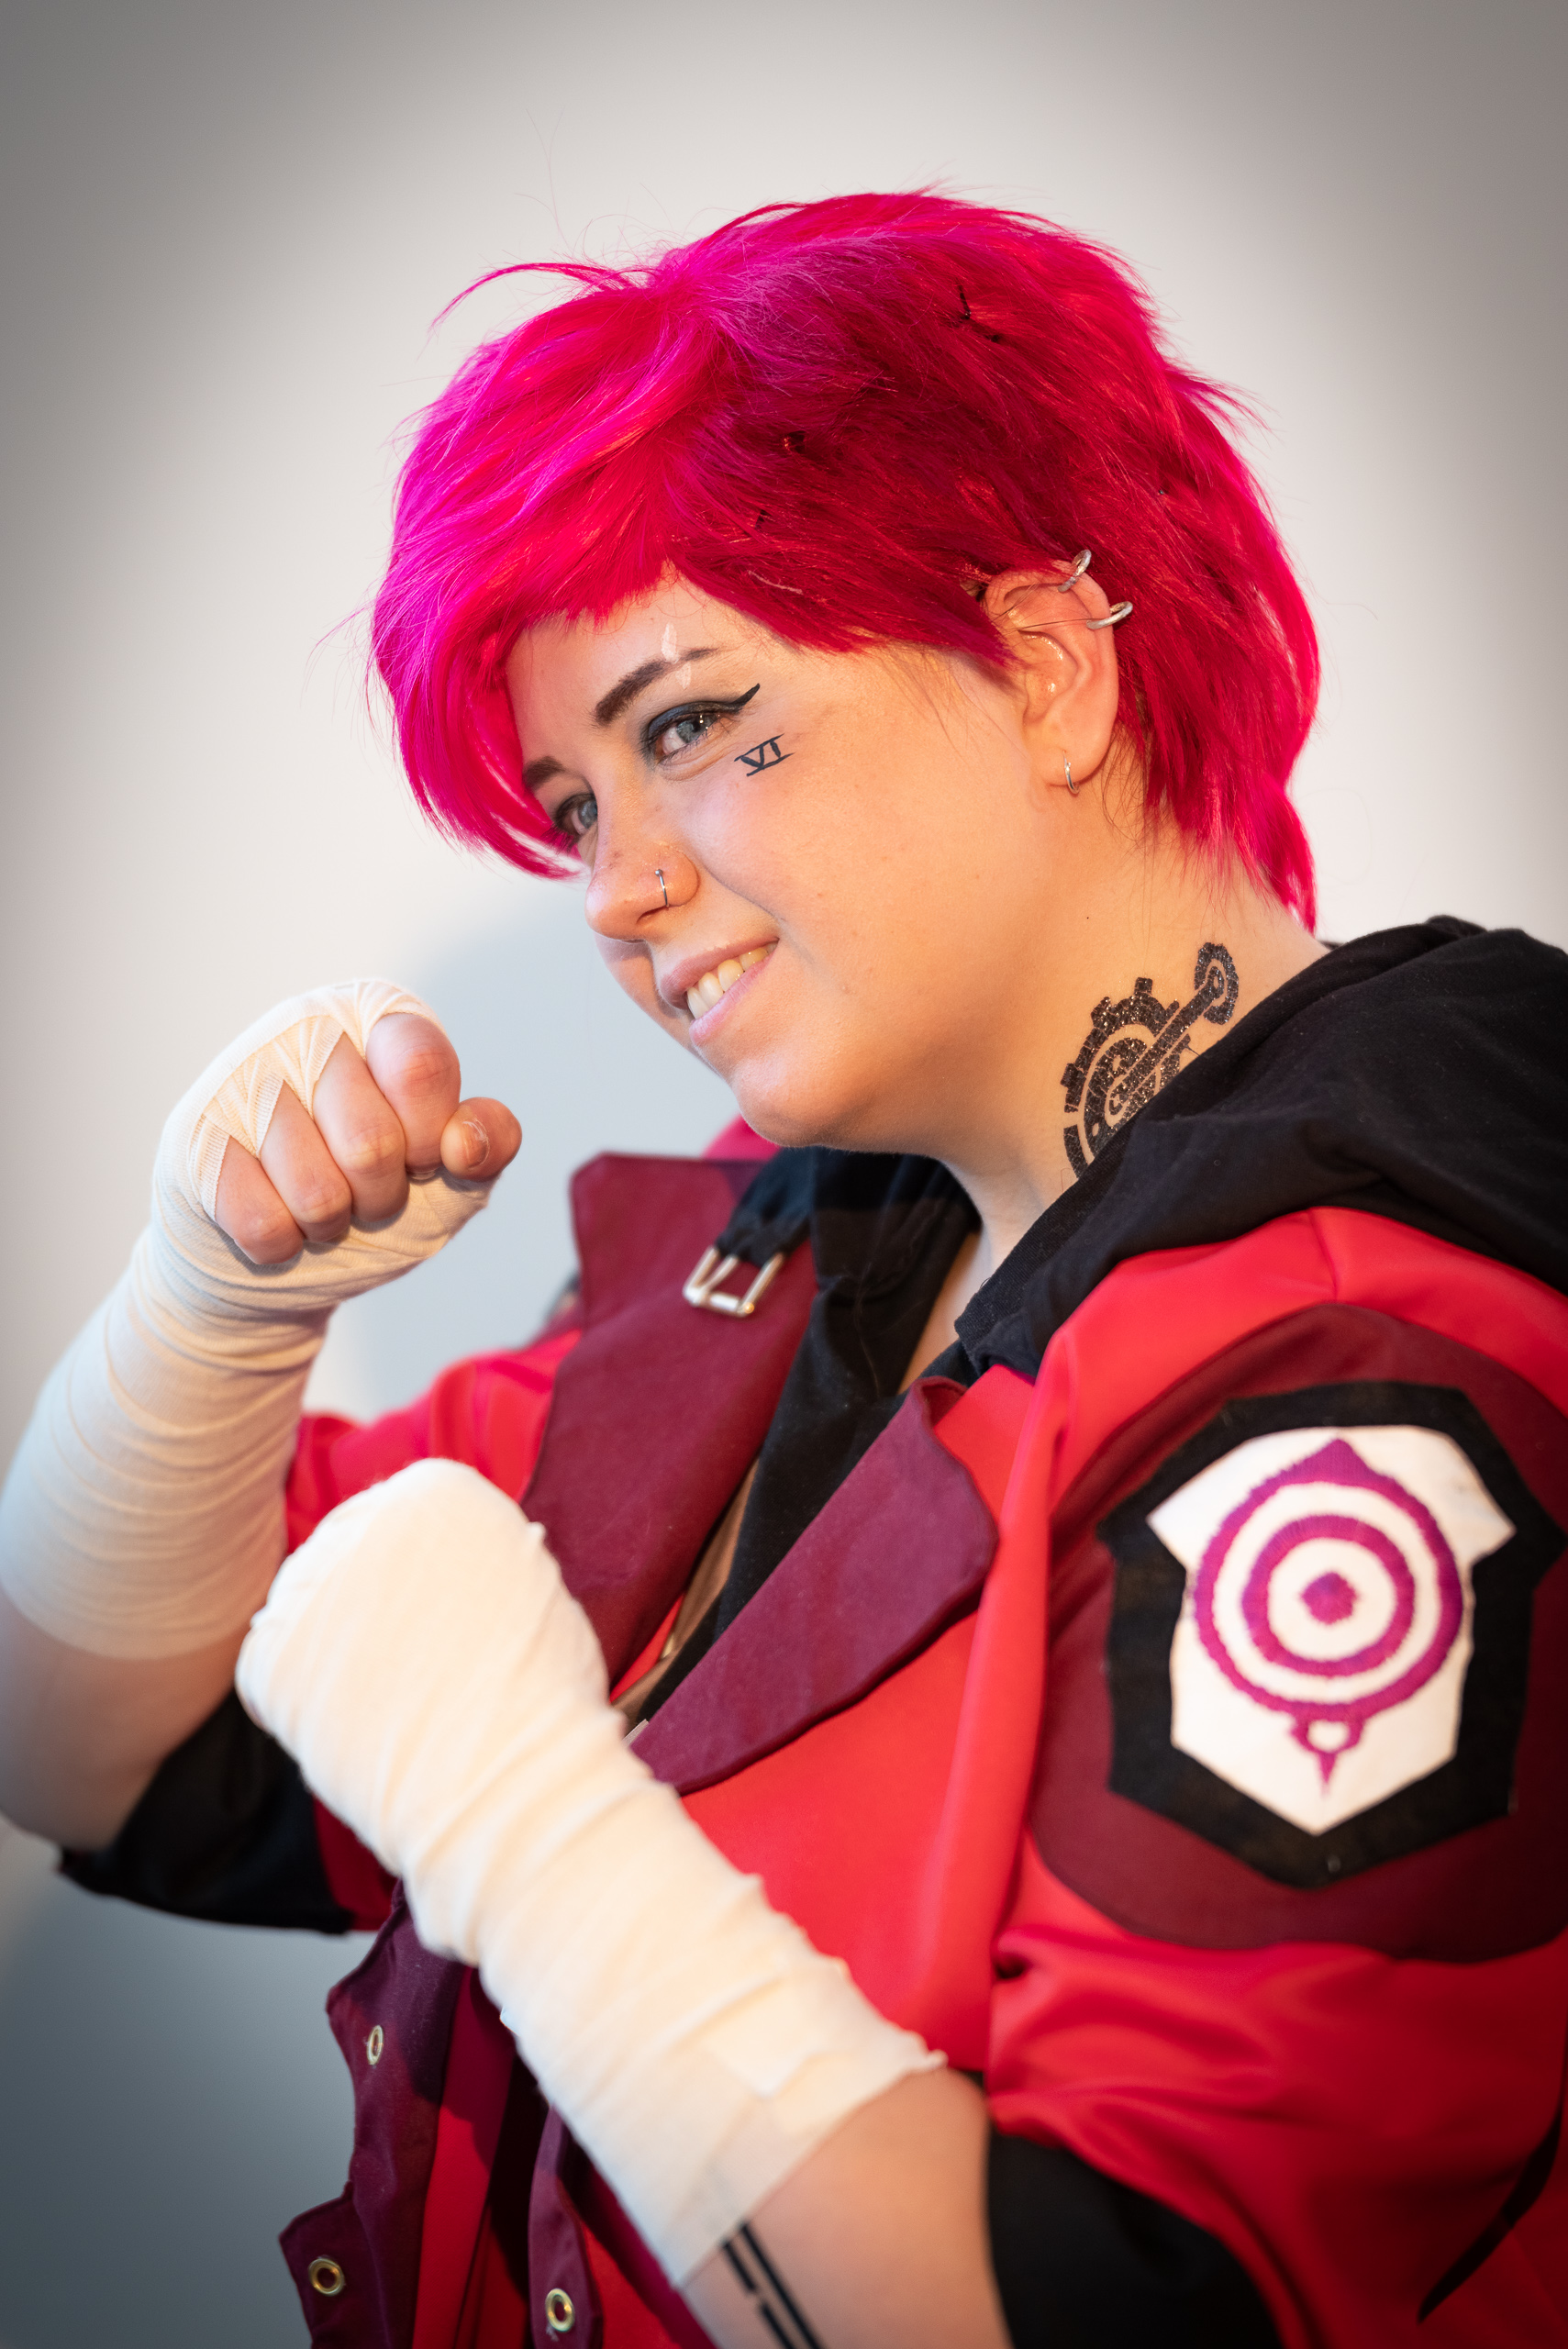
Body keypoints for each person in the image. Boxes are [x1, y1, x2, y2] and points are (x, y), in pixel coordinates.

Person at [1, 191, 1565, 2349]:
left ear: (1047, 666)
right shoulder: (795, 1246)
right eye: (574, 802)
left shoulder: (1365, 1365)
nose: (616, 889)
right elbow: (96, 1746)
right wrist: (206, 1318)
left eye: (687, 727)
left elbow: (1128, 2301)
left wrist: (526, 1819)